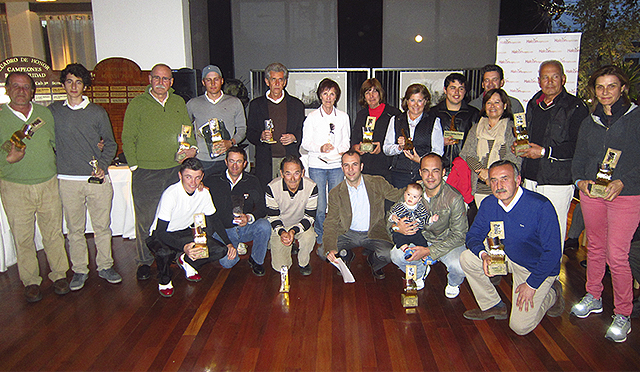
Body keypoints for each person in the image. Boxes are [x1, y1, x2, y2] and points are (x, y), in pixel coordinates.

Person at [571, 65, 640, 343]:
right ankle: (594, 296)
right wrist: (580, 181)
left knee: (617, 255)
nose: (605, 92)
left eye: (611, 86)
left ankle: (623, 312)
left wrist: (622, 182)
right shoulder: (589, 122)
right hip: (593, 194)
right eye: (600, 87)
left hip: (627, 194)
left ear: (622, 88)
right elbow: (579, 159)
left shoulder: (636, 118)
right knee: (595, 248)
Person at [460, 160, 564, 335]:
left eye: (504, 179)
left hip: (535, 268)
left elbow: (553, 253)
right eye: (493, 180)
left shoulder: (540, 206)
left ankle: (552, 293)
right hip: (507, 255)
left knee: (520, 327)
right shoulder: (489, 203)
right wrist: (484, 255)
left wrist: (531, 285)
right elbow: (473, 236)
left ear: (518, 180)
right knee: (467, 258)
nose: (498, 185)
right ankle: (492, 305)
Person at [49, 63, 121, 291]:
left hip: (96, 179)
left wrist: (102, 164)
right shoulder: (53, 112)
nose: (73, 86)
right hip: (67, 180)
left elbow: (110, 143)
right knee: (74, 229)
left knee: (102, 226)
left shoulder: (98, 112)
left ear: (85, 86)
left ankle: (105, 266)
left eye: (78, 82)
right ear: (63, 84)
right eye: (69, 81)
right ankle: (79, 270)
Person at [122, 63, 197, 281]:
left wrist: (191, 147)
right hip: (146, 172)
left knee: (172, 218)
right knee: (146, 220)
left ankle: (170, 256)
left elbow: (187, 131)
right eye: (157, 78)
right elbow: (128, 137)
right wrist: (135, 166)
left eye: (165, 79)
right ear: (150, 79)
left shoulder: (178, 102)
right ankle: (145, 261)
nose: (161, 83)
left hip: (174, 170)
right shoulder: (138, 104)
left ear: (171, 82)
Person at [0, 72, 69, 302]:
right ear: (7, 89)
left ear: (32, 91)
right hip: (14, 187)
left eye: (26, 87)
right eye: (16, 86)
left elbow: (56, 144)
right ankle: (30, 281)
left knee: (53, 233)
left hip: (47, 182)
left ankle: (59, 274)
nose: (21, 91)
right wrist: (8, 160)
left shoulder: (44, 114)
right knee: (23, 237)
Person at [515, 60, 588, 249]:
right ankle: (532, 271)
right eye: (545, 77)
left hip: (557, 180)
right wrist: (520, 144)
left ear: (563, 79)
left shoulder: (575, 106)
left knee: (554, 228)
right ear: (539, 80)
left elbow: (578, 146)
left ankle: (551, 273)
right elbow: (529, 136)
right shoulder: (534, 103)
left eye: (554, 76)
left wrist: (545, 152)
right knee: (531, 226)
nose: (549, 81)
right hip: (531, 176)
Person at [147, 158, 238, 297]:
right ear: (180, 175)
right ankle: (164, 280)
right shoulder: (170, 195)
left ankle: (186, 261)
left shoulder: (204, 193)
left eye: (197, 178)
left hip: (184, 232)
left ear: (202, 177)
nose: (193, 183)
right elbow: (160, 232)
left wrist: (229, 243)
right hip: (162, 234)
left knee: (220, 250)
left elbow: (215, 219)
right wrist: (184, 247)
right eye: (188, 177)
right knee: (165, 253)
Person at [390, 154, 468, 297]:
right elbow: (391, 216)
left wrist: (429, 251)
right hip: (419, 238)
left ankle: (454, 283)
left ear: (443, 172)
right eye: (426, 170)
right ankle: (420, 271)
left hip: (446, 241)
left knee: (460, 264)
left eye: (435, 170)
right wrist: (397, 227)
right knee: (396, 255)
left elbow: (459, 235)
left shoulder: (454, 198)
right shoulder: (413, 190)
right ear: (420, 172)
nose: (430, 176)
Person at [324, 150, 404, 279]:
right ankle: (346, 255)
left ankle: (374, 262)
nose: (350, 169)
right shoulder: (335, 192)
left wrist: (420, 186)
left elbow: (397, 195)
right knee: (324, 253)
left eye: (354, 164)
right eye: (346, 165)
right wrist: (330, 248)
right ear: (342, 168)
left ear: (361, 166)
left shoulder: (377, 182)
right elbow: (330, 222)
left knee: (388, 255)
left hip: (372, 232)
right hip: (347, 233)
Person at [203, 146, 271, 276]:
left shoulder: (252, 181)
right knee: (227, 263)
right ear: (226, 162)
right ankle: (235, 246)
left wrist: (249, 217)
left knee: (264, 225)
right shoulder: (213, 180)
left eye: (239, 161)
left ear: (245, 163)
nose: (235, 166)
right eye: (231, 161)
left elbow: (263, 207)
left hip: (245, 227)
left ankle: (256, 260)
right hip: (224, 231)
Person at [301, 78, 350, 248]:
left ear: (336, 97)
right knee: (320, 205)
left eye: (332, 94)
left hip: (336, 164)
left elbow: (346, 142)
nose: (328, 97)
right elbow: (305, 143)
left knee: (336, 201)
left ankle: (334, 233)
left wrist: (339, 150)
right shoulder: (312, 117)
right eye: (325, 93)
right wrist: (320, 148)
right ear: (320, 96)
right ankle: (321, 234)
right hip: (318, 165)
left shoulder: (343, 117)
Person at [247, 63, 305, 187]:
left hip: (289, 160)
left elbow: (302, 130)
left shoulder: (296, 105)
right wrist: (261, 136)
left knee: (290, 198)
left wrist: (294, 137)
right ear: (267, 81)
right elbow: (250, 133)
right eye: (274, 79)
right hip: (265, 161)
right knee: (267, 198)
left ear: (285, 82)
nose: (277, 83)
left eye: (281, 79)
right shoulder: (256, 105)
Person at [460, 88, 520, 207]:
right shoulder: (476, 128)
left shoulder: (511, 128)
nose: (493, 106)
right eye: (489, 102)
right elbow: (467, 154)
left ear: (504, 105)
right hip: (481, 187)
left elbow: (514, 158)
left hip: (504, 187)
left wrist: (492, 174)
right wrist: (483, 172)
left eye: (497, 102)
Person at [187, 65, 246, 175]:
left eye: (216, 79)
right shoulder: (193, 104)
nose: (213, 83)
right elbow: (185, 128)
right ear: (203, 82)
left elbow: (242, 129)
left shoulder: (235, 103)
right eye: (208, 80)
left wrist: (231, 142)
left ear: (222, 81)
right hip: (203, 160)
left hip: (229, 160)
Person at [383, 84, 444, 188]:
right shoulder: (396, 120)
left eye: (420, 100)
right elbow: (386, 148)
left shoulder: (434, 121)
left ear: (425, 101)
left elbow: (438, 152)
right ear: (406, 101)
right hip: (399, 175)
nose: (416, 104)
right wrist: (399, 147)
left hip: (424, 176)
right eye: (412, 100)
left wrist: (421, 160)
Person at [265, 155, 318, 274]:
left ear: (303, 173)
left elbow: (309, 217)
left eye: (297, 173)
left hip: (300, 225)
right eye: (288, 173)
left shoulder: (311, 186)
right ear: (281, 173)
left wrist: (293, 231)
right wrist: (282, 232)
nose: (293, 178)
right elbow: (273, 217)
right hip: (280, 226)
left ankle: (303, 263)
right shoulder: (272, 187)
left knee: (310, 236)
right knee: (280, 268)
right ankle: (288, 245)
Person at [350, 78, 402, 181]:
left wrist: (382, 148)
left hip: (387, 169)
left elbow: (399, 141)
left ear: (380, 93)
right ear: (364, 97)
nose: (371, 95)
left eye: (374, 91)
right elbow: (354, 140)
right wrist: (356, 147)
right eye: (367, 92)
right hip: (365, 168)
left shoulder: (394, 114)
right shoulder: (361, 115)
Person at [431, 73, 480, 171]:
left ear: (465, 91)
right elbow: (423, 140)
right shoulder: (432, 113)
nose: (457, 92)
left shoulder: (474, 114)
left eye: (461, 88)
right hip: (438, 169)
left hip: (465, 169)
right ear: (445, 90)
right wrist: (439, 142)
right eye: (453, 88)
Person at [388, 182, 436, 251]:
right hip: (401, 231)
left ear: (419, 199)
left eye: (414, 197)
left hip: (416, 231)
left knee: (422, 241)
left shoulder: (420, 207)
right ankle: (406, 249)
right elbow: (392, 213)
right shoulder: (399, 206)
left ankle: (425, 256)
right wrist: (392, 217)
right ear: (404, 194)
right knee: (398, 238)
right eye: (408, 194)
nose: (410, 198)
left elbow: (424, 218)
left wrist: (431, 219)